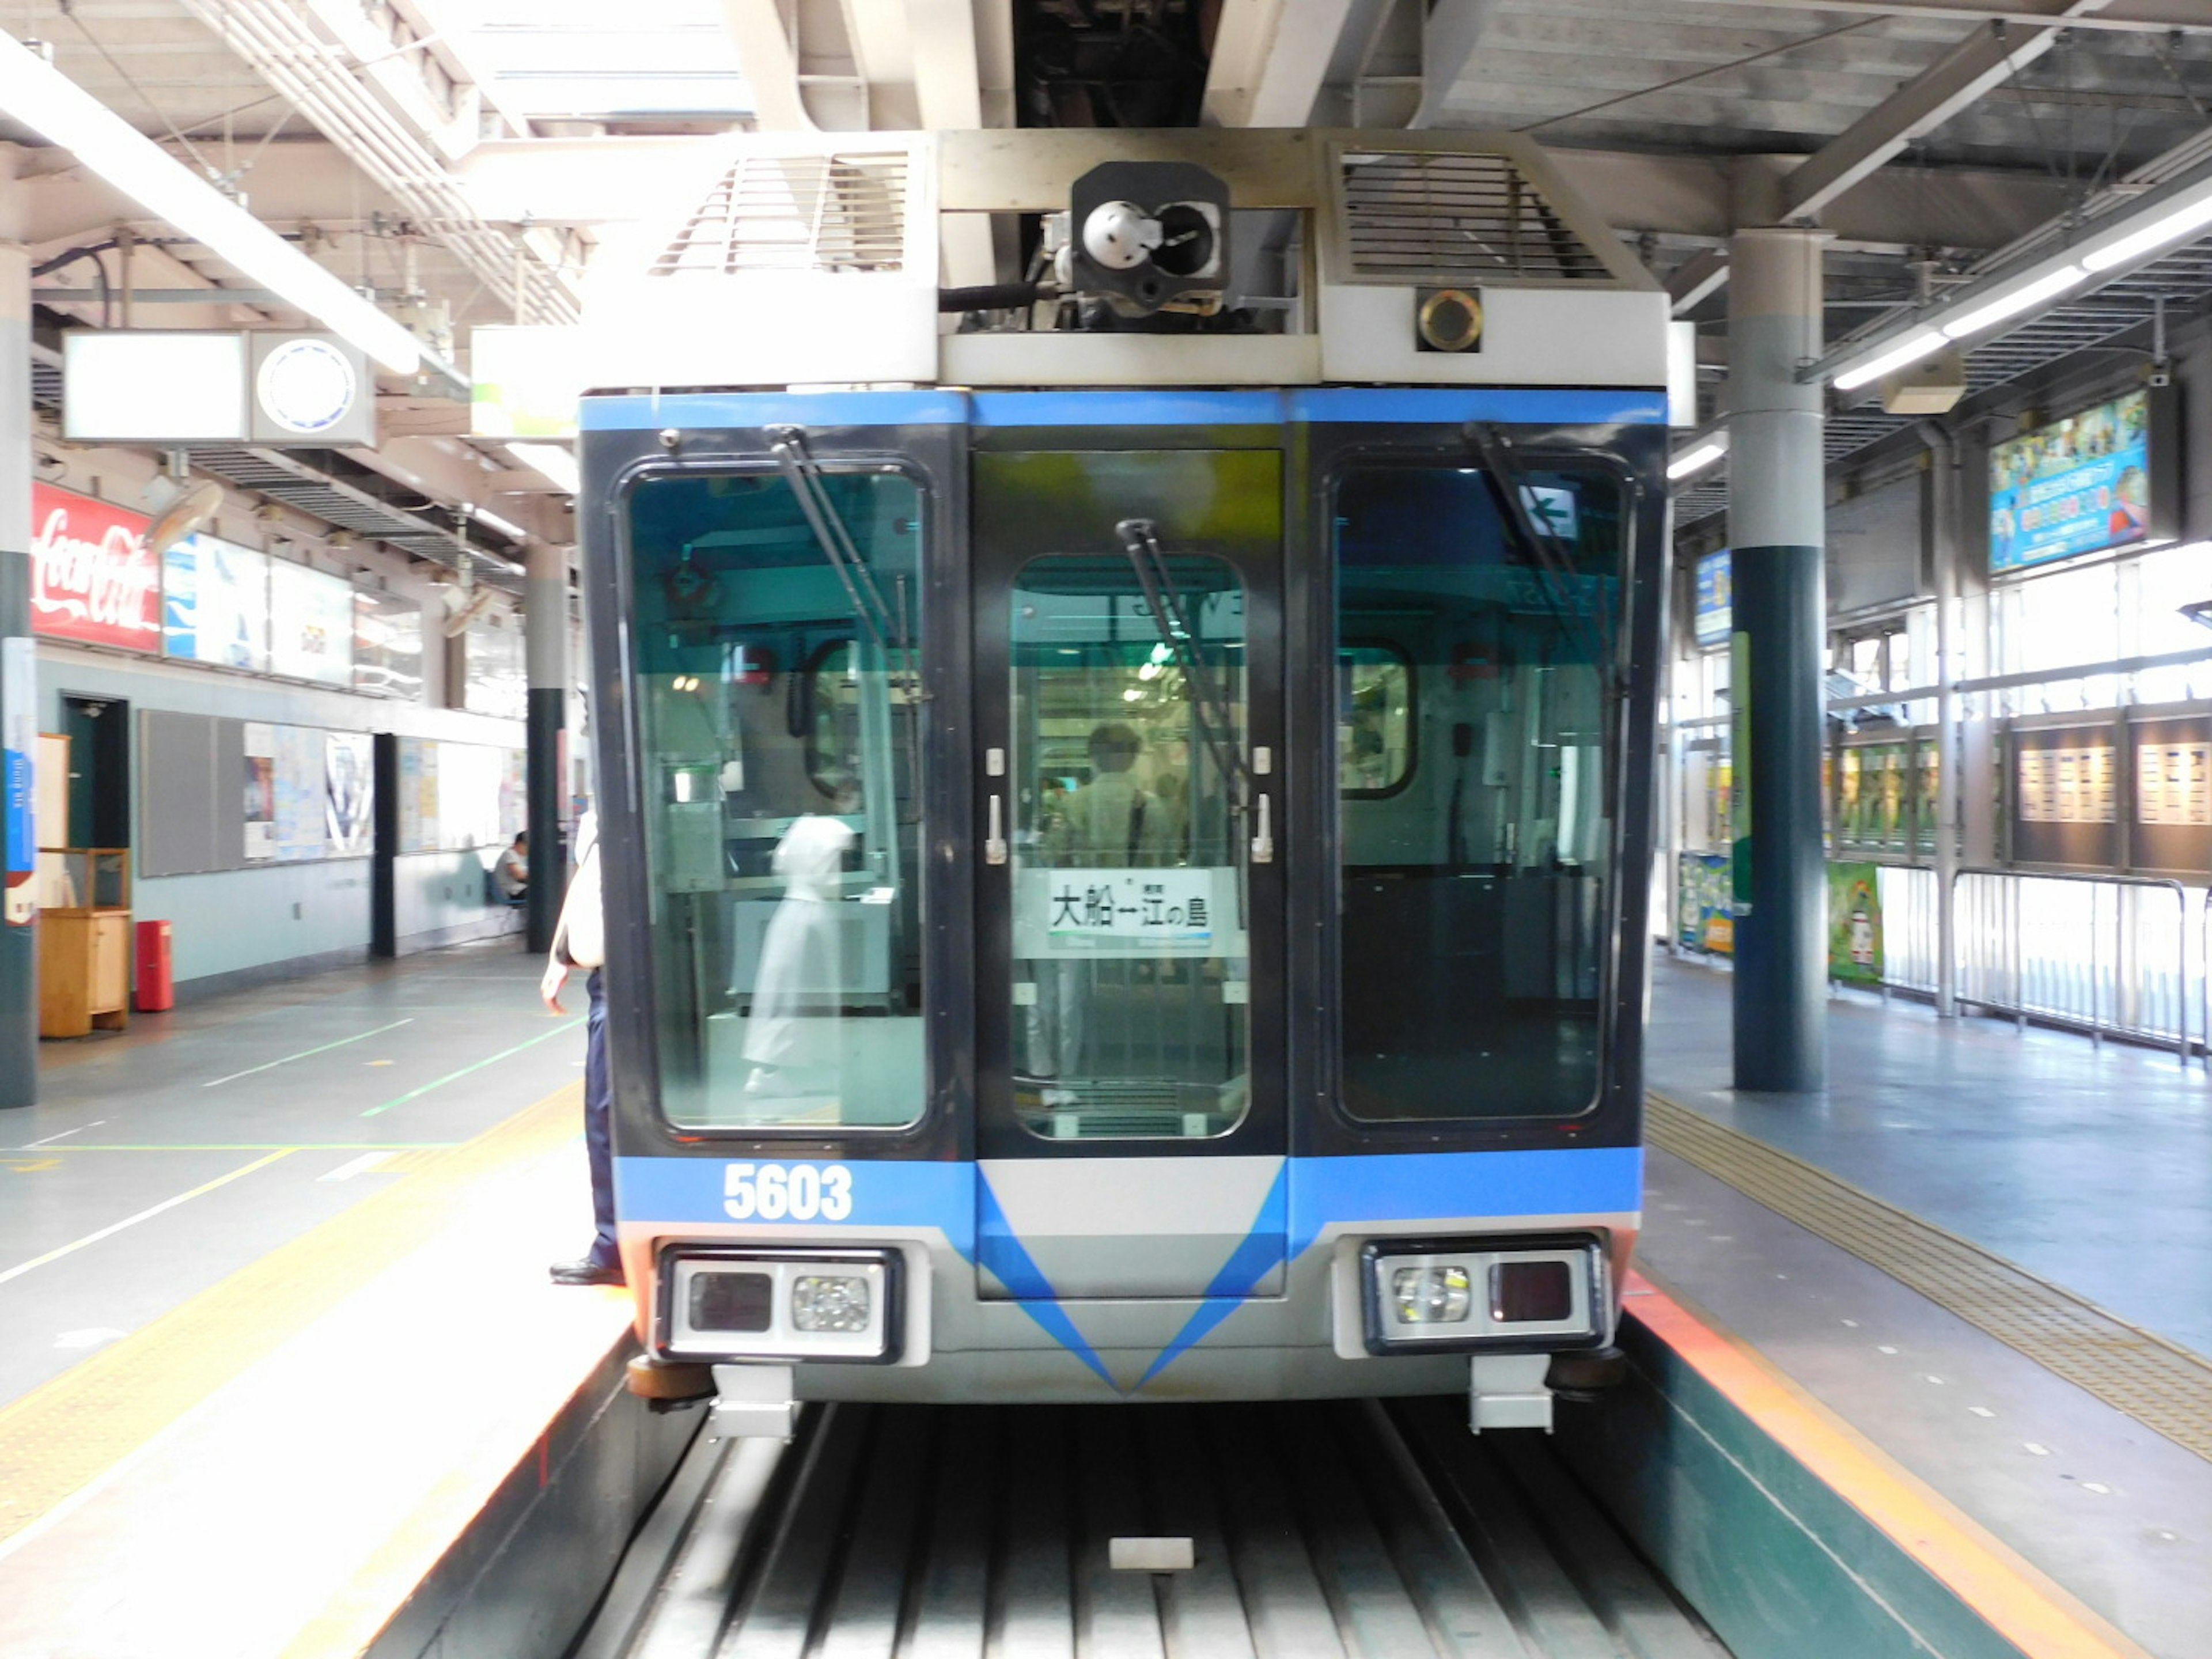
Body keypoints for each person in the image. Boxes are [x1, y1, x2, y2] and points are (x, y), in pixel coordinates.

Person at [541, 810, 620, 1286]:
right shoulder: (597, 819)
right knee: (603, 1114)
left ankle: (614, 1250)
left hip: (629, 980)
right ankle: (615, 1243)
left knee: (608, 1114)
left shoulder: (635, 798)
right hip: (605, 980)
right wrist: (560, 955)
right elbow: (584, 886)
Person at [494, 832, 528, 902]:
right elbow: (520, 877)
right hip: (514, 892)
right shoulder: (510, 854)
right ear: (520, 844)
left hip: (520, 890)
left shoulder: (518, 856)